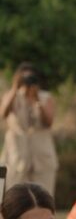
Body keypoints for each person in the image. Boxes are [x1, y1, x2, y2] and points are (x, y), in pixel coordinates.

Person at [0, 64, 58, 194]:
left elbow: (49, 122)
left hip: (42, 155)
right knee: (16, 194)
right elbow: (3, 113)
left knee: (43, 194)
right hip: (17, 154)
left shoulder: (44, 97)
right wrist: (15, 87)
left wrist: (36, 99)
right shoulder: (12, 96)